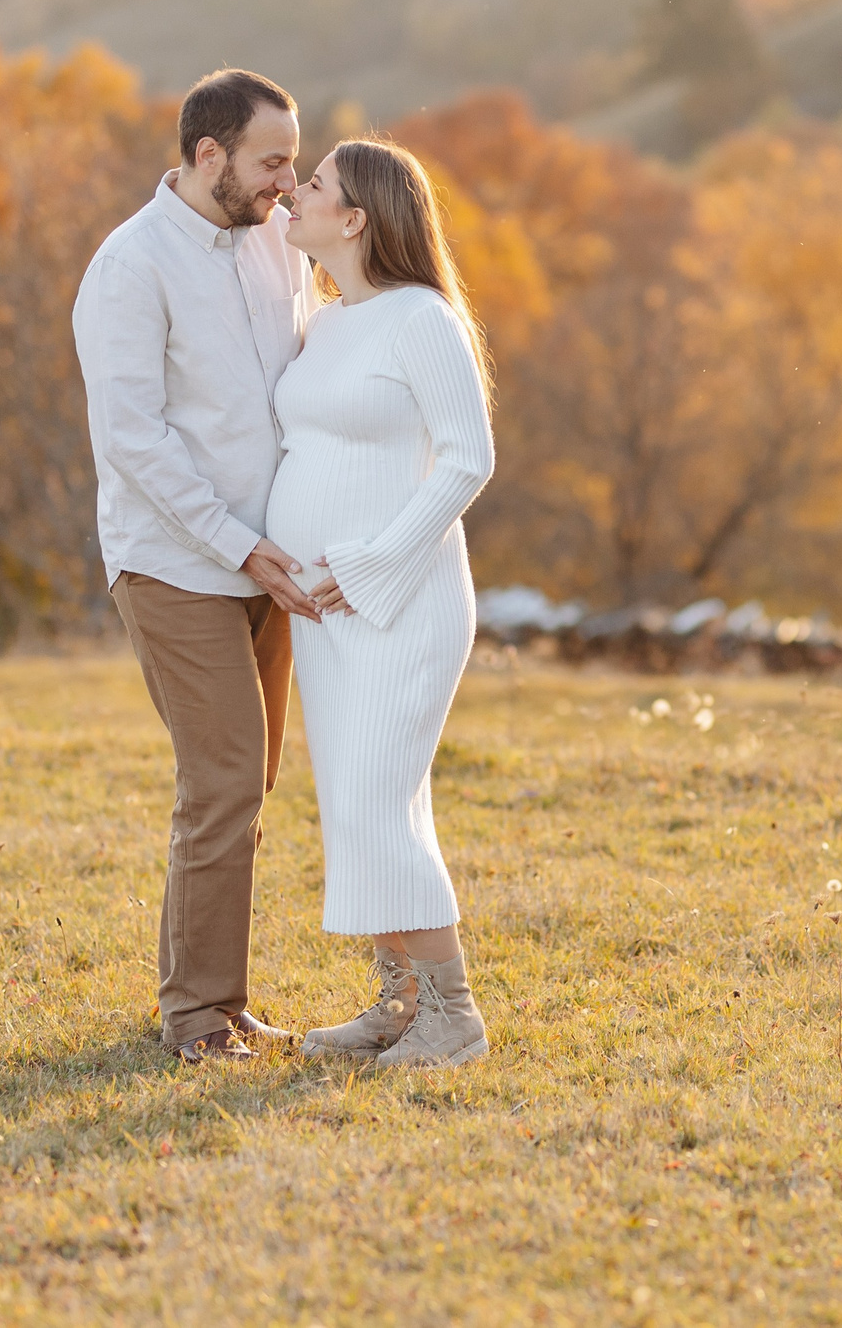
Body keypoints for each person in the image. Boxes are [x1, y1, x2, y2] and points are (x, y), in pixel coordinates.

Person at [72, 68, 320, 1065]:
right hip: (177, 560)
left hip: (273, 562)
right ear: (207, 154)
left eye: (293, 162)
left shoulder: (276, 242)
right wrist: (237, 544)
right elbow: (133, 437)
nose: (287, 182)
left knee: (251, 780)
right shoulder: (129, 267)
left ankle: (221, 999)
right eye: (272, 161)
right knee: (222, 778)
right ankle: (197, 1016)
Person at [261, 138, 497, 1070]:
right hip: (327, 611)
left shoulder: (422, 319)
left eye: (314, 184)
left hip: (402, 604)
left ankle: (453, 1017)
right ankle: (400, 1003)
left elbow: (468, 459)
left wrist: (368, 564)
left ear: (354, 219)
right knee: (355, 804)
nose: (296, 191)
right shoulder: (326, 321)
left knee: (379, 802)